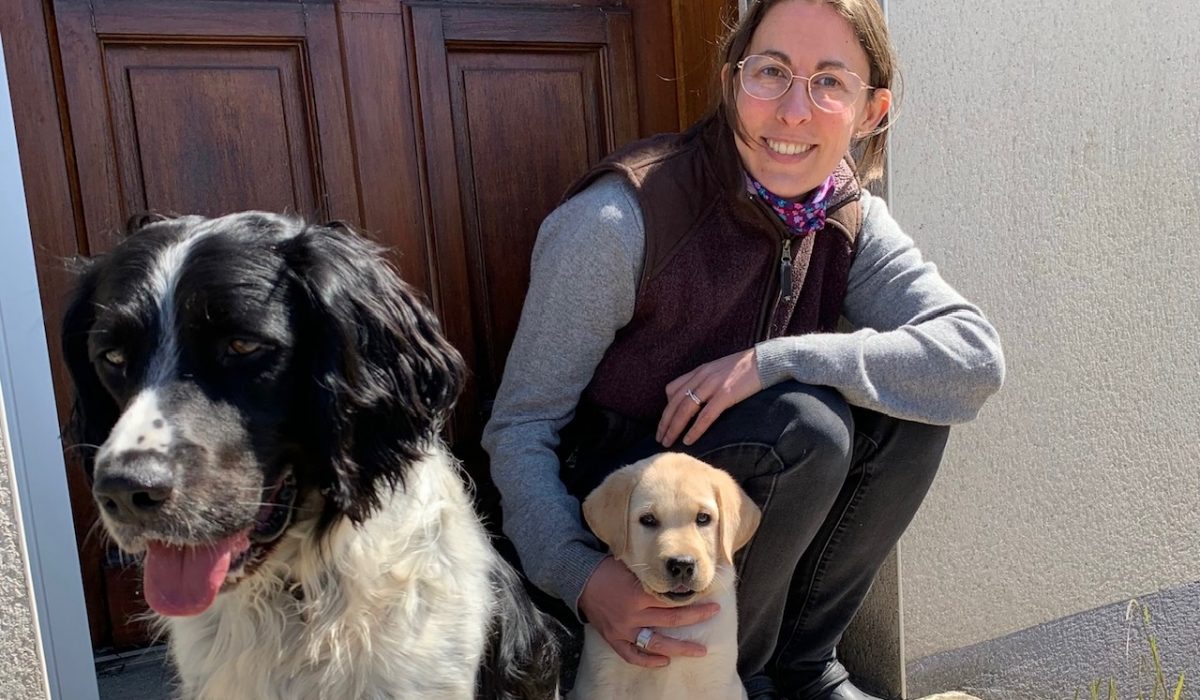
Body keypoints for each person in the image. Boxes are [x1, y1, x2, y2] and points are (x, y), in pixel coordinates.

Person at [483, 1, 1005, 698]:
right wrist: (584, 577)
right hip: (624, 511)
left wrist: (775, 360)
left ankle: (804, 673)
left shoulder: (847, 217)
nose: (793, 111)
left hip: (731, 491)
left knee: (911, 411)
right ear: (733, 80)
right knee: (804, 427)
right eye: (771, 72)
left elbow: (972, 358)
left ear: (871, 112)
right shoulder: (619, 222)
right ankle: (741, 679)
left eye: (829, 81)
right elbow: (519, 430)